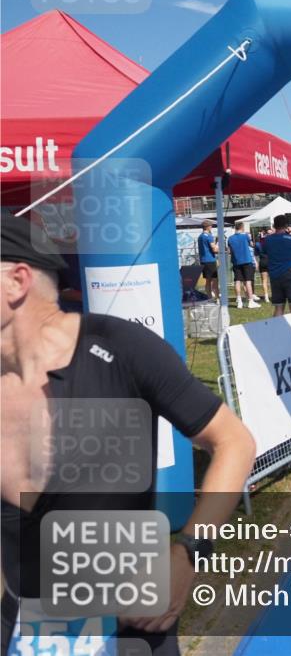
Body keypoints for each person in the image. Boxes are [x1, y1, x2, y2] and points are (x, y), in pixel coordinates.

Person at [0, 215, 256, 656]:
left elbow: (234, 442)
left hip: (127, 629)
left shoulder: (121, 348)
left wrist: (188, 553)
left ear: (16, 281)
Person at [265, 214, 291, 317]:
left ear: (274, 225)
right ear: (286, 225)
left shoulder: (268, 240)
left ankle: (276, 331)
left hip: (274, 275)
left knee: (279, 307)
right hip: (290, 274)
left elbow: (264, 251)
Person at [227, 222, 259, 309]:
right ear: (242, 227)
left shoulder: (230, 238)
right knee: (248, 281)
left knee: (237, 281)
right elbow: (251, 245)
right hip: (246, 261)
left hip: (236, 262)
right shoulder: (245, 236)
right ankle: (250, 301)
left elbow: (229, 251)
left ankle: (239, 301)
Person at [197, 220, 219, 301]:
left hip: (203, 260)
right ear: (208, 227)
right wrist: (219, 246)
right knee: (215, 280)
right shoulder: (209, 236)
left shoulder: (200, 237)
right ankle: (217, 298)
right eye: (211, 226)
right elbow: (214, 249)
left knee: (208, 280)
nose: (212, 228)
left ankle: (209, 298)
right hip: (210, 260)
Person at [254, 228, 272, 303]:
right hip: (270, 262)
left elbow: (255, 254)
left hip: (262, 262)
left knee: (264, 280)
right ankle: (272, 295)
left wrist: (256, 263)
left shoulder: (258, 244)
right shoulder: (271, 242)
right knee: (272, 280)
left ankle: (266, 296)